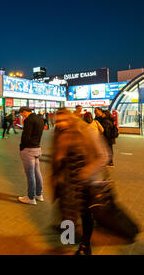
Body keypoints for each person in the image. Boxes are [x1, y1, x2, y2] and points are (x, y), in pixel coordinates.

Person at [51, 108, 109, 255]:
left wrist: (85, 174)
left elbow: (103, 156)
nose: (60, 124)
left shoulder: (86, 131)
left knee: (85, 214)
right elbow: (57, 158)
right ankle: (68, 241)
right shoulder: (60, 135)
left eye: (63, 120)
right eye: (57, 121)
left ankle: (85, 246)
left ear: (71, 119)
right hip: (67, 183)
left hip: (85, 182)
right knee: (67, 212)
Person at [17, 107, 45, 205]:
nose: (22, 116)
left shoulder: (29, 120)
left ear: (24, 111)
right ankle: (39, 194)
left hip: (28, 150)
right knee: (37, 172)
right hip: (37, 148)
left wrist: (22, 147)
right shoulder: (40, 119)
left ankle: (30, 197)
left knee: (30, 174)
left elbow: (26, 136)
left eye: (22, 114)